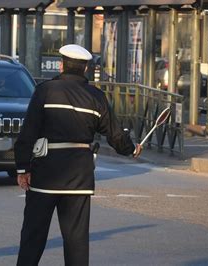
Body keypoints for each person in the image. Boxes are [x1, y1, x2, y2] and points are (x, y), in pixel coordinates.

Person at [14, 44, 142, 266]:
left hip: (45, 175)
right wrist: (131, 149)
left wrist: (23, 168)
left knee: (32, 237)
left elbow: (29, 132)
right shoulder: (97, 97)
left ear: (62, 65)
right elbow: (114, 134)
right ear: (85, 69)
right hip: (79, 179)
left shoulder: (45, 91)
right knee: (76, 240)